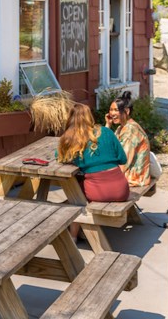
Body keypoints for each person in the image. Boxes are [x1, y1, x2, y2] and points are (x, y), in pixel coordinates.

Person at [58, 102, 130, 239]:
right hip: (121, 190)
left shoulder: (70, 139)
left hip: (97, 192)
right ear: (89, 116)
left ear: (70, 119)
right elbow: (122, 159)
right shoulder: (106, 132)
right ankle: (81, 232)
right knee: (78, 191)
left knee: (75, 196)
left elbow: (60, 157)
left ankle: (73, 236)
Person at [105, 91, 152, 188]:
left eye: (116, 110)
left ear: (126, 111)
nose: (112, 113)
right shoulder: (121, 128)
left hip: (135, 178)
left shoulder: (130, 131)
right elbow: (106, 145)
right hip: (129, 173)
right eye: (111, 110)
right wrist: (108, 125)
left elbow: (124, 161)